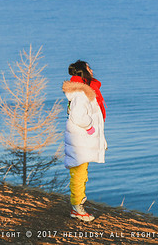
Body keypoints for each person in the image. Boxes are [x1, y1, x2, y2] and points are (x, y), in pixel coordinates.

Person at [62, 60, 107, 222]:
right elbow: (78, 116)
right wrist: (90, 128)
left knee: (80, 173)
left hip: (81, 140)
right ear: (83, 71)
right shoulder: (81, 94)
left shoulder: (82, 91)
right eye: (89, 68)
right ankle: (77, 208)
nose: (92, 70)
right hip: (80, 140)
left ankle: (78, 207)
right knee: (79, 175)